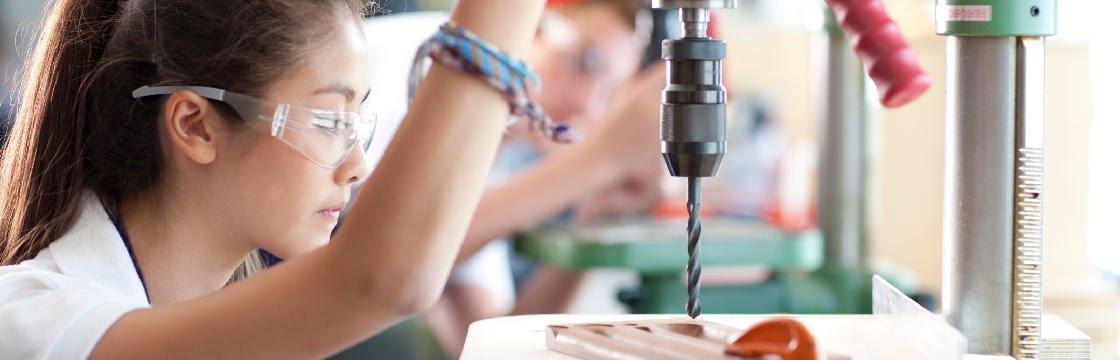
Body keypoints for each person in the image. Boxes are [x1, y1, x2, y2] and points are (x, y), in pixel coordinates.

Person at [0, 0, 557, 358]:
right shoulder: (38, 321)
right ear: (195, 125)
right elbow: (386, 279)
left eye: (357, 122)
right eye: (328, 121)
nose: (358, 164)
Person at [356, 1, 666, 357]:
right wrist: (598, 162)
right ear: (531, 26)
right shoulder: (430, 55)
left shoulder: (491, 156)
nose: (586, 105)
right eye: (587, 62)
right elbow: (385, 258)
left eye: (608, 92)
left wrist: (596, 217)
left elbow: (492, 343)